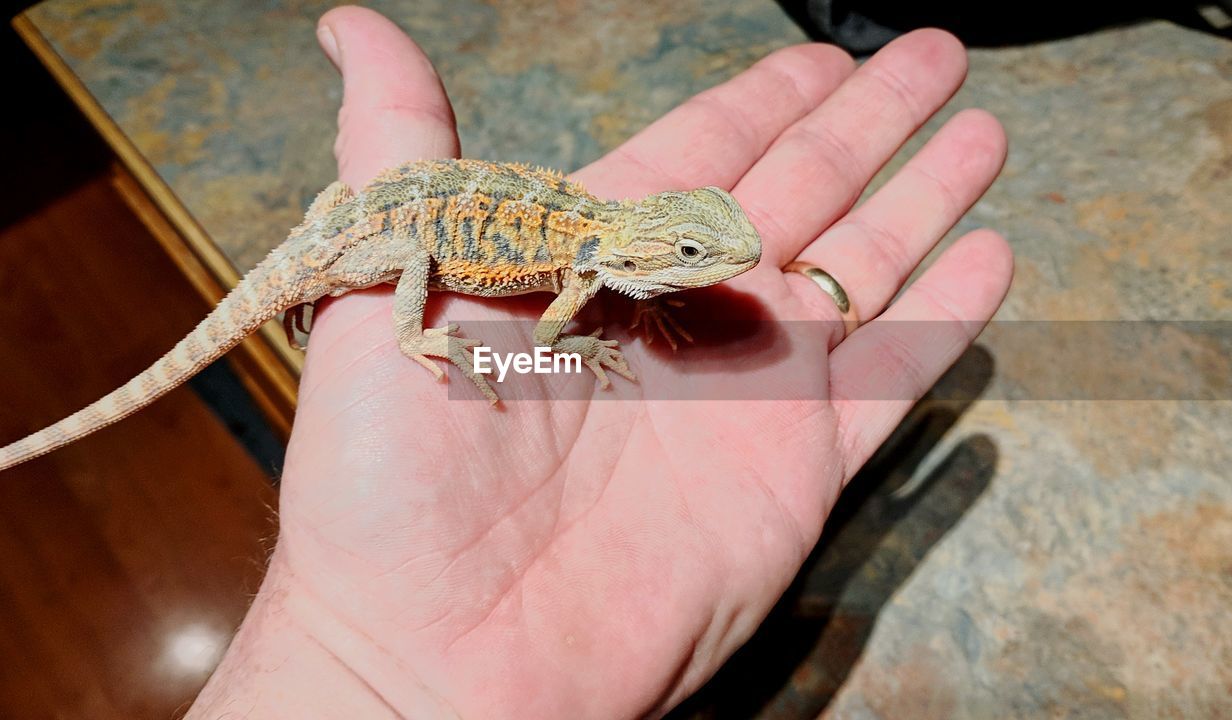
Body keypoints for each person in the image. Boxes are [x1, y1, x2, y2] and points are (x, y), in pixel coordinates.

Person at [186, 6, 1012, 718]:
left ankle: (316, 270)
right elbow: (546, 344)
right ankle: (404, 330)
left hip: (340, 223)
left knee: (365, 225)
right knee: (409, 256)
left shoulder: (603, 242)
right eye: (691, 252)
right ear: (651, 246)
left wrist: (651, 294)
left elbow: (640, 269)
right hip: (370, 243)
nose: (722, 262)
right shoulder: (580, 275)